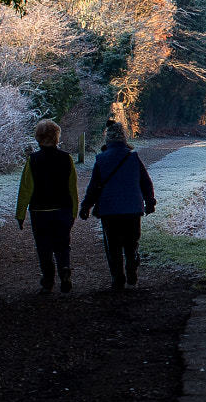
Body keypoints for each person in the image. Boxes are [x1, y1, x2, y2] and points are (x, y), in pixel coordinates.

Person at [80, 120, 157, 290]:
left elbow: (93, 187)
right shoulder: (133, 158)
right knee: (131, 242)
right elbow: (146, 182)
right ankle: (131, 266)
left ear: (107, 139)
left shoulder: (101, 159)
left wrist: (86, 206)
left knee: (113, 245)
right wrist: (149, 202)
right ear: (124, 138)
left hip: (110, 210)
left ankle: (118, 278)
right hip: (132, 209)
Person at [15, 119, 79, 294]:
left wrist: (20, 214)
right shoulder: (66, 159)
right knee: (62, 243)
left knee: (44, 247)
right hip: (63, 209)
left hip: (40, 211)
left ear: (38, 138)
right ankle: (64, 268)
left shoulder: (33, 160)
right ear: (56, 137)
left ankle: (48, 280)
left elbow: (26, 188)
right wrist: (74, 211)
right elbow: (72, 186)